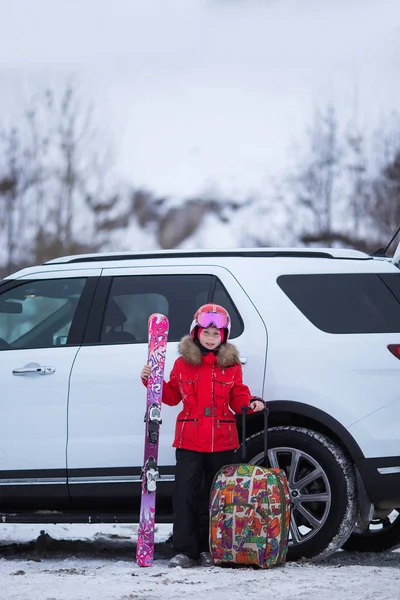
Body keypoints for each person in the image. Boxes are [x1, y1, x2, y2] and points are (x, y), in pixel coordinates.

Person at [140, 303, 265, 568]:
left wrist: (251, 402)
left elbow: (238, 397)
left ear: (224, 337)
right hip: (189, 440)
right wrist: (153, 382)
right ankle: (185, 550)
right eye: (206, 333)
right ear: (196, 333)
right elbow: (172, 397)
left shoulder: (230, 366)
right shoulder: (183, 364)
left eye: (216, 334)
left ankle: (211, 548)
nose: (210, 338)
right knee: (185, 493)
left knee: (216, 497)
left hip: (222, 440)